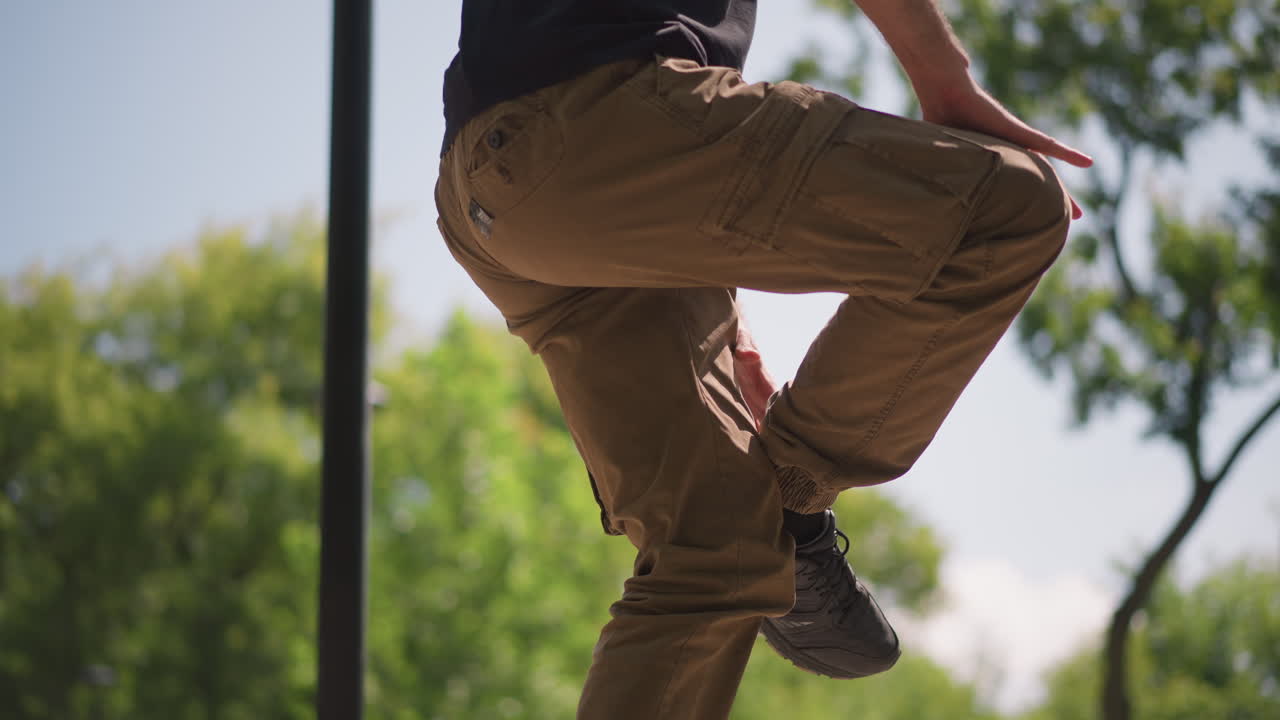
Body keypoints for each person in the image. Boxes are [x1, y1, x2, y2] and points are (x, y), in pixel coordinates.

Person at [434, 1, 1091, 718]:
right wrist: (946, 84)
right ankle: (796, 490)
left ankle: (780, 517)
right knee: (1005, 211)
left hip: (491, 193)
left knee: (715, 551)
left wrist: (732, 329)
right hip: (598, 119)